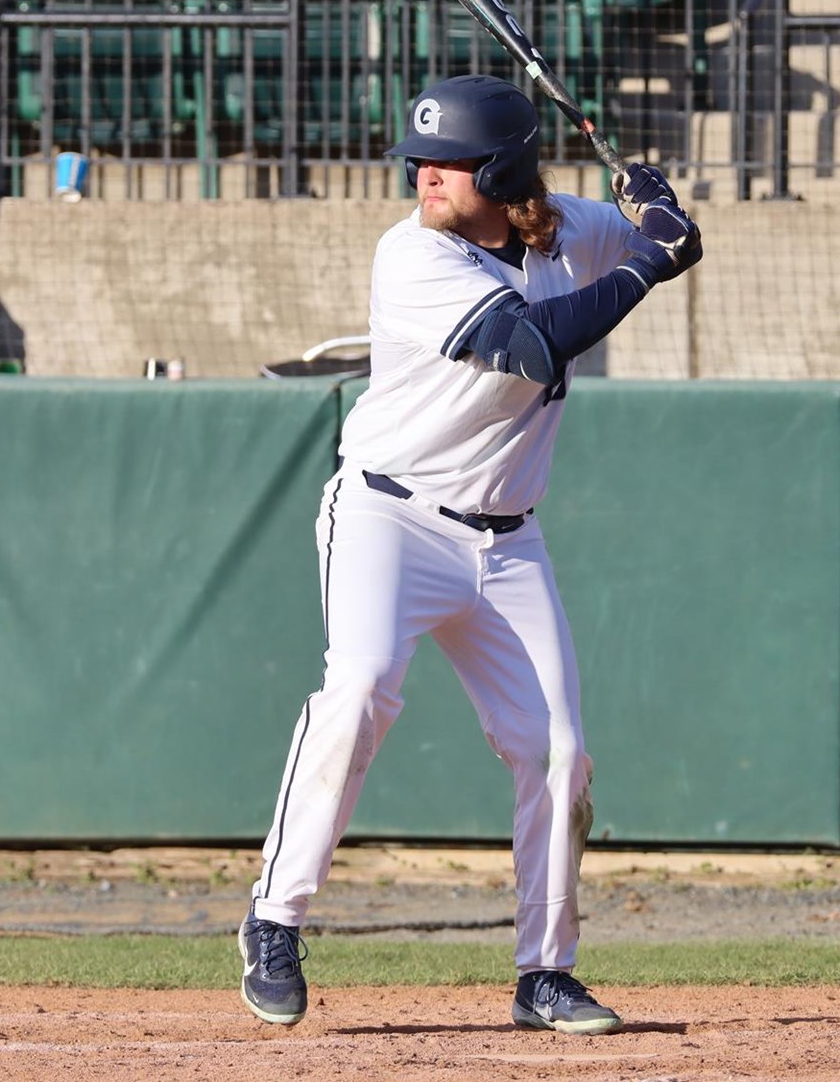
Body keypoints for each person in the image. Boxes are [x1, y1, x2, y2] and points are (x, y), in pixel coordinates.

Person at [237, 75, 702, 1034]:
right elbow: (534, 343)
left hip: (509, 540)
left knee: (559, 750)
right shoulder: (411, 256)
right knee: (360, 688)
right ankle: (275, 917)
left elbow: (656, 235)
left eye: (446, 162)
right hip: (390, 520)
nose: (425, 176)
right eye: (420, 160)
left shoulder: (563, 226)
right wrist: (653, 262)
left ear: (501, 169)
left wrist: (659, 212)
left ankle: (546, 972)